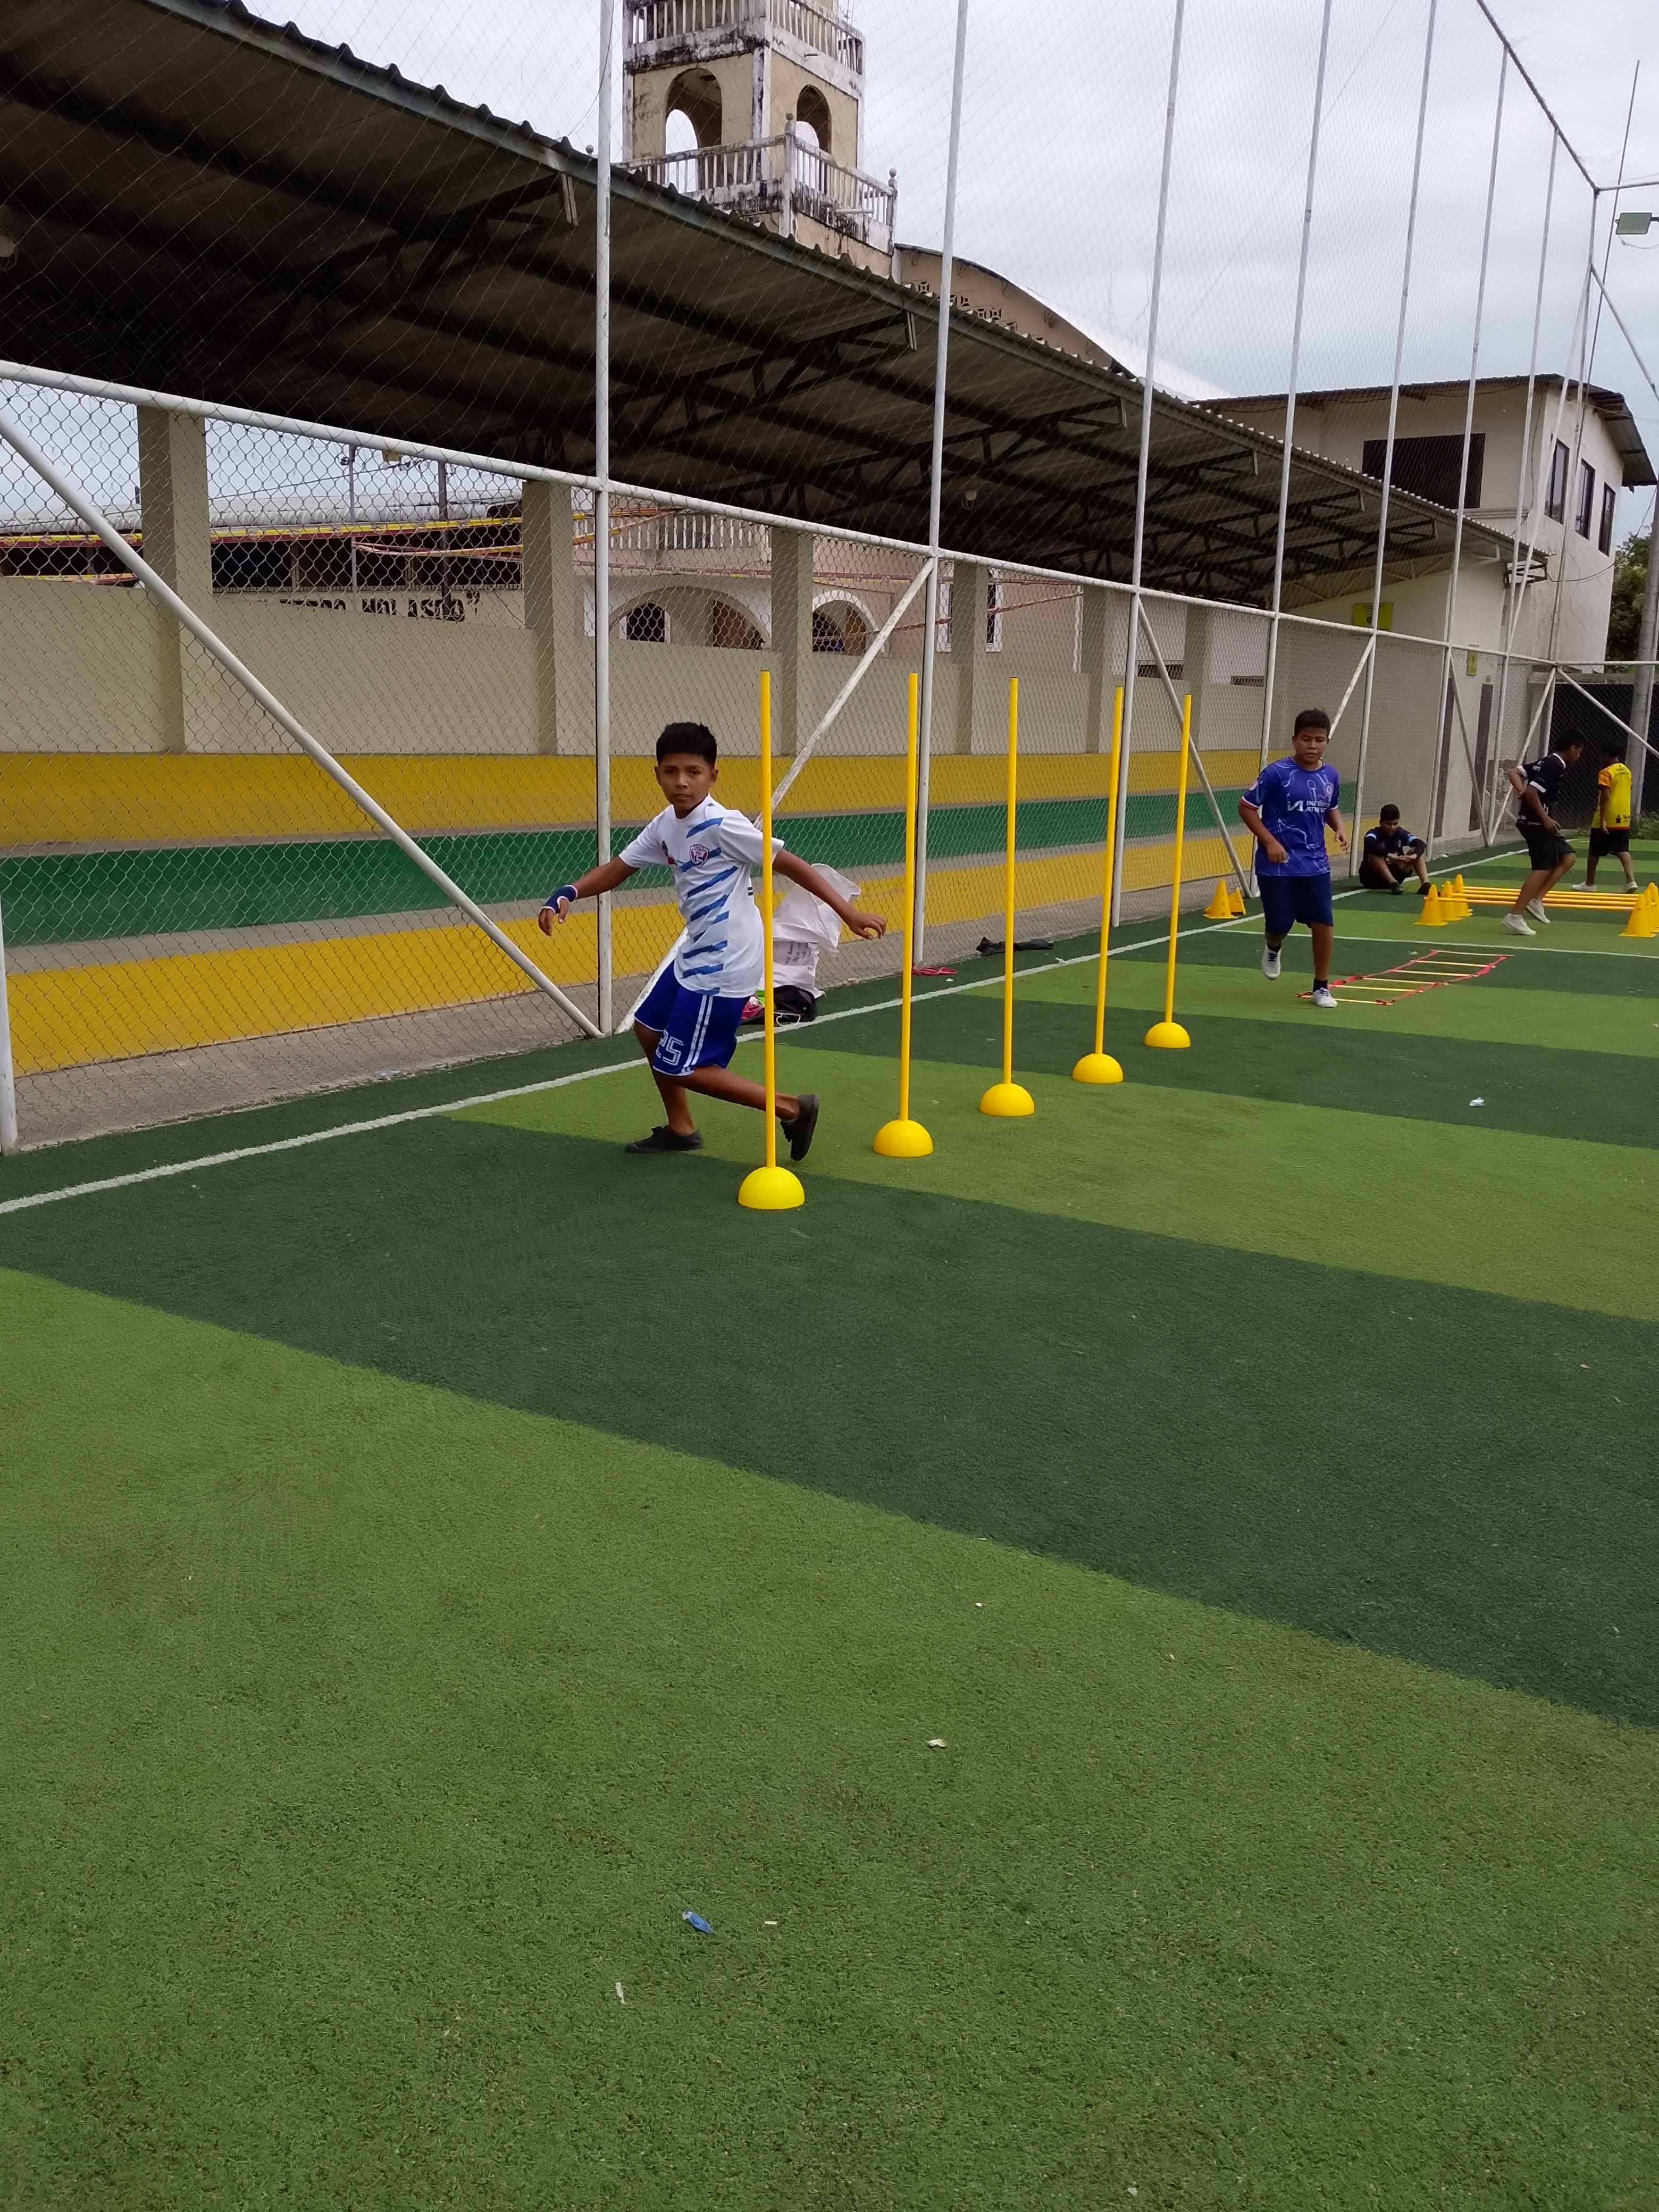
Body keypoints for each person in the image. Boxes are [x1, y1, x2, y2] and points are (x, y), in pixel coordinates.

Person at [540, 722, 887, 1155]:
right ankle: (681, 1129)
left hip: (726, 960)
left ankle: (791, 1108)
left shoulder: (723, 825)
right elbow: (620, 867)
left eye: (693, 772)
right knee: (648, 1030)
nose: (682, 782)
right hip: (697, 950)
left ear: (713, 775)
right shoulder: (666, 824)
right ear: (657, 774)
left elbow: (789, 863)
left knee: (683, 1066)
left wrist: (848, 912)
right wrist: (569, 893)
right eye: (671, 772)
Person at [1239, 707, 1350, 1010]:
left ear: (1327, 742)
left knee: (1323, 920)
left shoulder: (1331, 775)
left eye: (1319, 740)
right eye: (1306, 739)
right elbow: (1247, 807)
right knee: (1279, 923)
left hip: (1316, 863)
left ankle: (1321, 986)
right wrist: (1270, 842)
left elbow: (1330, 807)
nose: (1312, 746)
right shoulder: (1276, 773)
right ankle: (1273, 946)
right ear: (1295, 740)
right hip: (1277, 864)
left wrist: (1339, 827)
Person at [1502, 736, 1583, 935]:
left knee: (1568, 857)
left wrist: (1521, 790)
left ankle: (1536, 899)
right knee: (1542, 868)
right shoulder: (1555, 765)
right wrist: (1545, 818)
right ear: (1573, 748)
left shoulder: (1546, 761)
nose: (1579, 757)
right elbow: (1532, 792)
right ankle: (1515, 916)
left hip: (1536, 821)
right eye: (1580, 752)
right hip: (1536, 823)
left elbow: (1513, 772)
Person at [1576, 741, 1638, 894]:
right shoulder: (1627, 771)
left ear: (1605, 755)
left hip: (1607, 816)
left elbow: (1605, 796)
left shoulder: (1606, 772)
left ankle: (1590, 883)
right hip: (1623, 816)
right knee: (1622, 849)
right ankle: (1631, 881)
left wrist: (1603, 819)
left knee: (1594, 851)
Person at [1359, 804, 1430, 895]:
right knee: (1373, 854)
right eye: (1389, 824)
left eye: (1395, 824)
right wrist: (1390, 856)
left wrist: (1414, 856)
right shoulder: (1374, 833)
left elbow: (1420, 843)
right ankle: (1393, 883)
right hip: (1372, 878)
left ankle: (1425, 884)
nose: (1392, 828)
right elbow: (1369, 843)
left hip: (1397, 875)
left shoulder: (1400, 833)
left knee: (1415, 851)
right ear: (1381, 822)